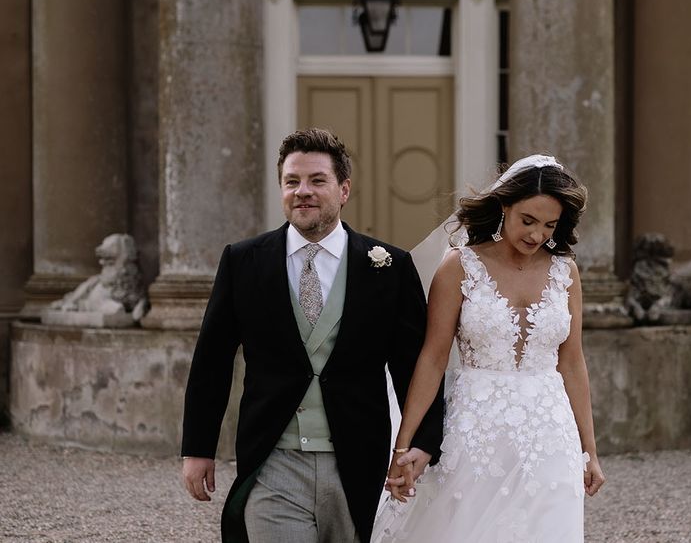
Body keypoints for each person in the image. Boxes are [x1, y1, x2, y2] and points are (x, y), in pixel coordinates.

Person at [181, 128, 444, 543]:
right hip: (274, 462)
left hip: (358, 461)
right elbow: (211, 361)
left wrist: (423, 442)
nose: (302, 191)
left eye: (317, 180)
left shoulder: (390, 267)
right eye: (292, 181)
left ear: (344, 189)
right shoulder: (243, 261)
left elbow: (416, 365)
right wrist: (198, 448)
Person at [372, 154, 606, 542]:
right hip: (474, 430)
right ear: (503, 207)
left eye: (549, 225)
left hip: (550, 432)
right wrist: (403, 444)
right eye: (527, 221)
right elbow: (432, 359)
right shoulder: (460, 266)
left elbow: (572, 361)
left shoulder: (566, 271)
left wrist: (590, 451)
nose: (536, 235)